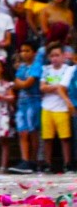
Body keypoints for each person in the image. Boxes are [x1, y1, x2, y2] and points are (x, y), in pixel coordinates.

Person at [11, 42, 43, 173]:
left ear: (34, 52)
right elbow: (16, 83)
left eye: (27, 51)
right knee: (22, 131)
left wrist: (21, 84)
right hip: (23, 102)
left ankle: (33, 160)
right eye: (22, 51)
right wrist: (22, 84)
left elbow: (28, 82)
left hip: (34, 101)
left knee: (33, 131)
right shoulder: (22, 67)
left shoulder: (37, 66)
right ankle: (25, 160)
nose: (24, 53)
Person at [40, 45, 73, 173]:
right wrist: (57, 87)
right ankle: (47, 164)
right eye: (52, 56)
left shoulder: (68, 69)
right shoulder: (46, 69)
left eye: (57, 55)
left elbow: (64, 87)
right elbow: (42, 87)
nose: (54, 58)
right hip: (47, 107)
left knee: (65, 138)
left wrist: (52, 87)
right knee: (47, 138)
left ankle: (67, 163)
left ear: (63, 56)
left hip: (62, 107)